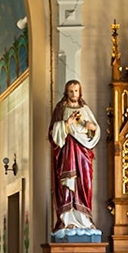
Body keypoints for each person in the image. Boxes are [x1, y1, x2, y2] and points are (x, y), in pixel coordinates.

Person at [48, 79, 103, 234]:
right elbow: (52, 133)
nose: (74, 94)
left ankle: (84, 220)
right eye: (71, 91)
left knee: (85, 183)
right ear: (66, 92)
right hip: (68, 152)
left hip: (83, 153)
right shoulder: (60, 108)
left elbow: (95, 130)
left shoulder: (85, 109)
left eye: (76, 91)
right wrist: (67, 123)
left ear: (80, 92)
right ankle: (68, 220)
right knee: (68, 183)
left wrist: (92, 127)